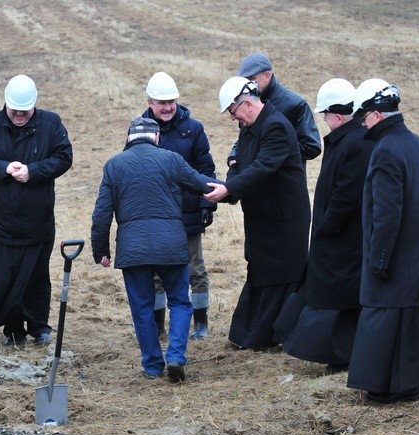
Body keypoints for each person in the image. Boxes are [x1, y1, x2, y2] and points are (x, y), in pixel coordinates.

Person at [91, 117, 218, 382]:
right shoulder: (170, 159)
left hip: (133, 250)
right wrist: (229, 188)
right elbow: (201, 183)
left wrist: (100, 249)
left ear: (128, 139)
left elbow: (102, 213)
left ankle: (152, 365)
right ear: (157, 138)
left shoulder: (114, 165)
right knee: (181, 301)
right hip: (171, 245)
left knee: (142, 308)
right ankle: (175, 356)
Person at [346, 79, 419, 403]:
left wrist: (379, 259)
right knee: (411, 324)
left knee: (385, 320)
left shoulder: (385, 150)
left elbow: (387, 213)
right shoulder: (417, 144)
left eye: (363, 116)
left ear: (374, 114)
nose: (361, 123)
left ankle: (384, 389)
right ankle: (411, 384)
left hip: (397, 258)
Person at [274, 79, 373, 373]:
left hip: (342, 242)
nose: (324, 121)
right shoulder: (349, 139)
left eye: (325, 115)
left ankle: (340, 355)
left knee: (338, 302)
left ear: (337, 116)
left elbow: (346, 195)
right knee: (332, 299)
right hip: (336, 240)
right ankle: (336, 355)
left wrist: (327, 226)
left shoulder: (353, 143)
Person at [0, 74, 73, 347]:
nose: (19, 115)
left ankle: (39, 327)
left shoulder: (51, 123)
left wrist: (33, 171)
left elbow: (64, 157)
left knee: (37, 276)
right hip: (2, 221)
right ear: (6, 104)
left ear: (34, 106)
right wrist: (3, 168)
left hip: (38, 220)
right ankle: (13, 329)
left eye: (24, 111)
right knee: (7, 275)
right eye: (14, 110)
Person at [205, 77, 310, 351]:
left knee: (280, 275)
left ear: (248, 104)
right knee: (260, 271)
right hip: (263, 217)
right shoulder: (250, 127)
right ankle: (249, 333)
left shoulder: (276, 126)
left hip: (283, 219)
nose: (233, 118)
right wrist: (229, 180)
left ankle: (272, 335)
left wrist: (228, 189)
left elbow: (263, 167)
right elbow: (240, 163)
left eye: (233, 111)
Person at [142, 72, 217, 340]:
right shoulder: (139, 130)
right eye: (161, 102)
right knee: (156, 275)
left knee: (195, 269)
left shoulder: (193, 129)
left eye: (171, 101)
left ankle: (200, 324)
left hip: (188, 212)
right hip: (155, 216)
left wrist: (206, 203)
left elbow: (205, 168)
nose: (167, 107)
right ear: (149, 102)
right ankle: (158, 327)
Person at [227, 53, 321, 169]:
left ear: (267, 76)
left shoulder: (295, 104)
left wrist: (273, 151)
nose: (247, 85)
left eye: (251, 79)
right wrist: (233, 156)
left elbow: (312, 147)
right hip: (251, 177)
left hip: (283, 180)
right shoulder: (246, 102)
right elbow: (245, 137)